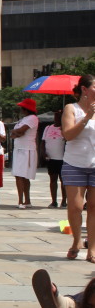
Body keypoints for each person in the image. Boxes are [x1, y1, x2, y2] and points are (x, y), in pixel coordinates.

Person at [61, 75, 95, 262]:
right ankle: (76, 241)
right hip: (75, 163)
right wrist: (87, 117)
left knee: (94, 206)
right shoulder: (71, 109)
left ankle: (92, 248)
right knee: (75, 206)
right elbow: (68, 135)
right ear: (84, 89)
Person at [11, 98, 38, 209]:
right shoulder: (23, 119)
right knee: (22, 176)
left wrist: (16, 132)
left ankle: (21, 201)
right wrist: (16, 133)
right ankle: (26, 200)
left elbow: (21, 131)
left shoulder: (32, 118)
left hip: (26, 149)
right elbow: (14, 133)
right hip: (19, 148)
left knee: (20, 175)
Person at [42, 111, 66, 208]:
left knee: (63, 181)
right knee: (53, 179)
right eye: (56, 116)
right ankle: (54, 201)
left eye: (59, 117)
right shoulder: (48, 128)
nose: (57, 118)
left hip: (63, 159)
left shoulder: (65, 129)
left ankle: (64, 201)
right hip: (51, 158)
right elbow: (43, 142)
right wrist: (43, 153)